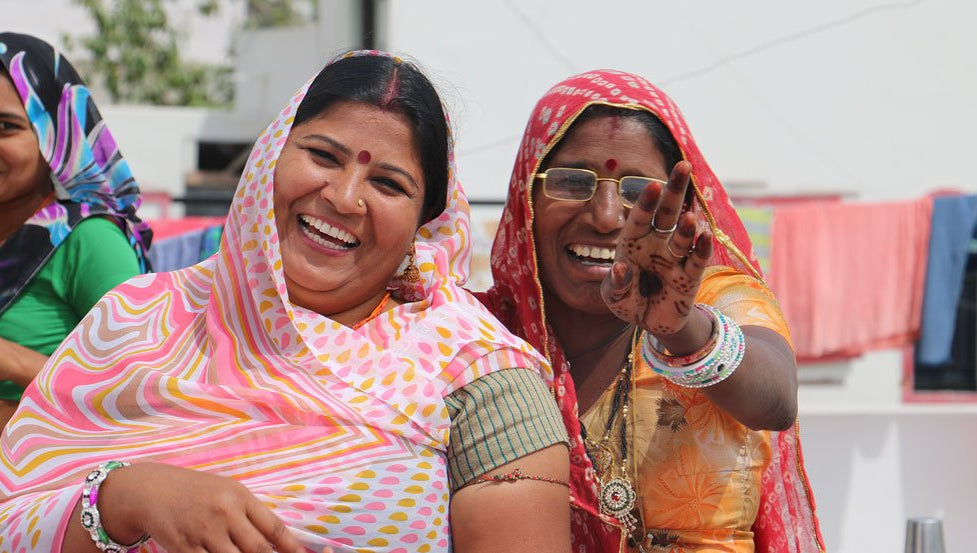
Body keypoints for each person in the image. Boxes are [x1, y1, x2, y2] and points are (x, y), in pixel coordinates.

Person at [0, 51, 571, 553]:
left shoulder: (482, 375)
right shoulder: (137, 317)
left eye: (389, 185)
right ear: (270, 156)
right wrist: (124, 498)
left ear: (425, 222)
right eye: (323, 155)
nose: (344, 198)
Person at [478, 70, 824, 552]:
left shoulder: (714, 302)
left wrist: (684, 331)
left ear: (682, 206)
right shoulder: (481, 335)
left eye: (640, 191)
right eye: (573, 182)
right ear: (526, 196)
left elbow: (777, 400)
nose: (604, 216)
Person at [0, 32, 152, 427]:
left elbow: (139, 390)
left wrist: (14, 361)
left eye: (5, 126)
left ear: (54, 134)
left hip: (40, 475)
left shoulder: (88, 239)